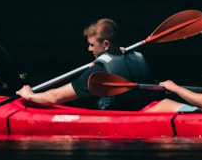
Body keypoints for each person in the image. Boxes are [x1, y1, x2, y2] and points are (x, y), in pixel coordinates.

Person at [17, 18, 152, 110]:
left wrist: (30, 95)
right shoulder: (137, 58)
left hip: (111, 128)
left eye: (92, 45)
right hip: (137, 112)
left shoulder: (99, 70)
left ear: (106, 44)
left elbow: (54, 97)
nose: (89, 49)